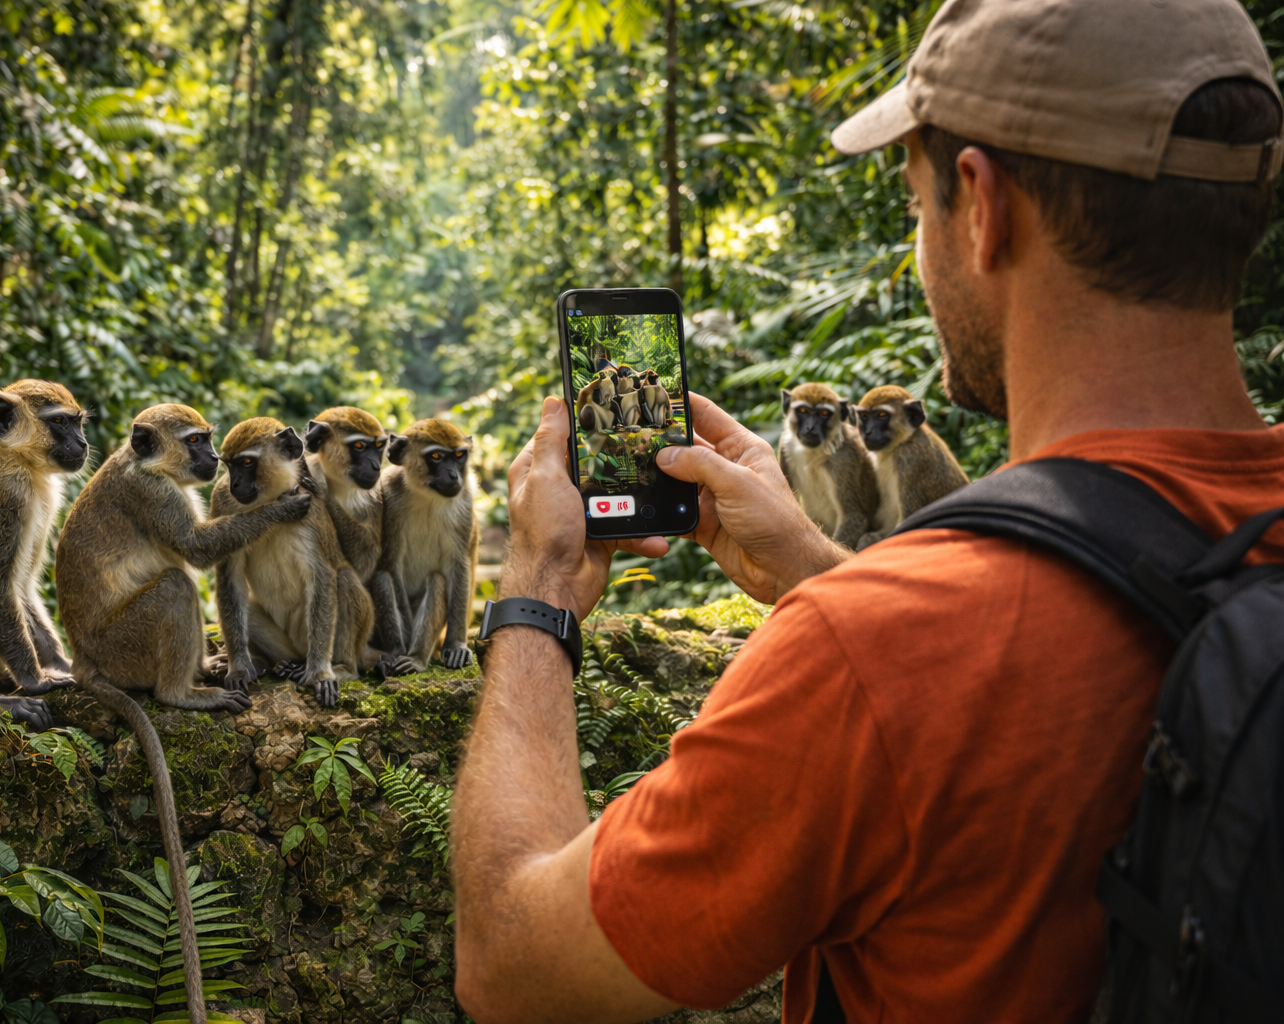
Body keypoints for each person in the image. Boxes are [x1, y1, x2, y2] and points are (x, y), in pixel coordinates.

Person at [449, 1, 1284, 1022]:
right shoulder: (904, 635)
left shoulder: (875, 656)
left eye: (914, 205)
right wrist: (812, 562)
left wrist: (535, 594)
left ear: (982, 208)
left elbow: (512, 960)